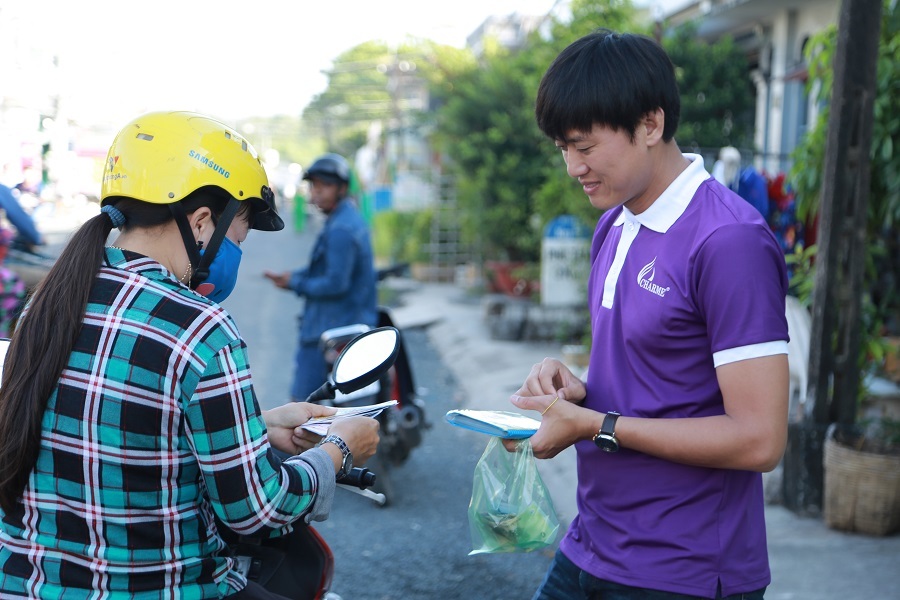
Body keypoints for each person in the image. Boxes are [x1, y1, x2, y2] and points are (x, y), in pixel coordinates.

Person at [0, 111, 380, 599]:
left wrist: (257, 425)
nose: (236, 253)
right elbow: (256, 508)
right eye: (238, 237)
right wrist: (339, 448)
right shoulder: (200, 327)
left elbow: (103, 426)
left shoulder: (50, 300)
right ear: (202, 222)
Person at [508, 30, 790, 600]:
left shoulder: (728, 240)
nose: (572, 167)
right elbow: (653, 377)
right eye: (563, 148)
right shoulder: (614, 225)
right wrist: (575, 391)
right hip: (593, 540)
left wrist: (595, 427)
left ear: (651, 125)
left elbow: (760, 440)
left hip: (682, 569)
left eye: (585, 147)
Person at [264, 153, 377, 401]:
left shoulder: (341, 229)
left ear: (342, 189)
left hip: (330, 331)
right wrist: (292, 276)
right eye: (314, 185)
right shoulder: (342, 219)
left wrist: (294, 282)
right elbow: (325, 269)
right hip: (339, 324)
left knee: (301, 407)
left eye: (325, 186)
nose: (317, 192)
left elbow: (336, 283)